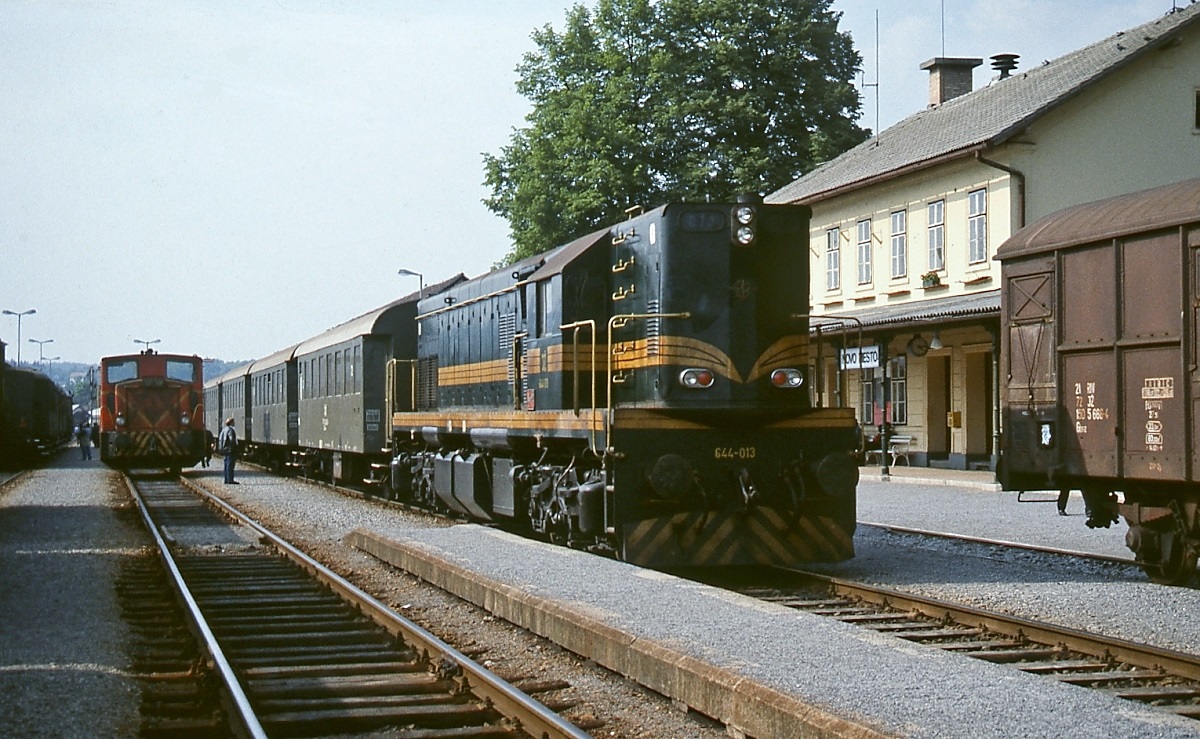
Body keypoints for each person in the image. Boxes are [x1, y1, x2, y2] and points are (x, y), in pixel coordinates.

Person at [218, 417, 239, 484]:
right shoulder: (230, 430)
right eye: (233, 422)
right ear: (231, 422)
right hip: (230, 449)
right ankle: (230, 480)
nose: (234, 423)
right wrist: (235, 446)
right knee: (230, 465)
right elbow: (231, 439)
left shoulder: (224, 430)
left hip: (225, 449)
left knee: (226, 465)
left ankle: (226, 479)